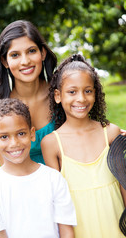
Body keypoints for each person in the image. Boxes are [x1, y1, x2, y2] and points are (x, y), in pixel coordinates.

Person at [0, 19, 57, 209]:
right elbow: (9, 170)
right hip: (29, 195)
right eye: (15, 55)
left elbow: (87, 133)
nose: (25, 61)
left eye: (31, 51)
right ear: (5, 61)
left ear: (42, 53)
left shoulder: (62, 96)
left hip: (70, 186)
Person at [41, 54, 126, 238]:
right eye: (72, 92)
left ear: (95, 93)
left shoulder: (110, 133)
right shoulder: (51, 144)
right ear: (58, 96)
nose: (81, 98)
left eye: (88, 91)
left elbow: (124, 186)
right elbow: (56, 200)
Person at [0, 98, 77, 238]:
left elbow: (66, 230)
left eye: (21, 133)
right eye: (4, 137)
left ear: (32, 134)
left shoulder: (54, 178)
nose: (14, 143)